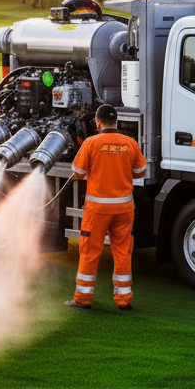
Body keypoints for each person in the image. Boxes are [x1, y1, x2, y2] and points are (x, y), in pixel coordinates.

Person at [66, 104, 147, 311]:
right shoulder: (130, 143)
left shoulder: (91, 143)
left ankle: (83, 299)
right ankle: (124, 300)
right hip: (124, 209)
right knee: (122, 251)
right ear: (116, 122)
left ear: (98, 122)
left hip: (97, 210)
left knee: (89, 251)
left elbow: (78, 171)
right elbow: (140, 171)